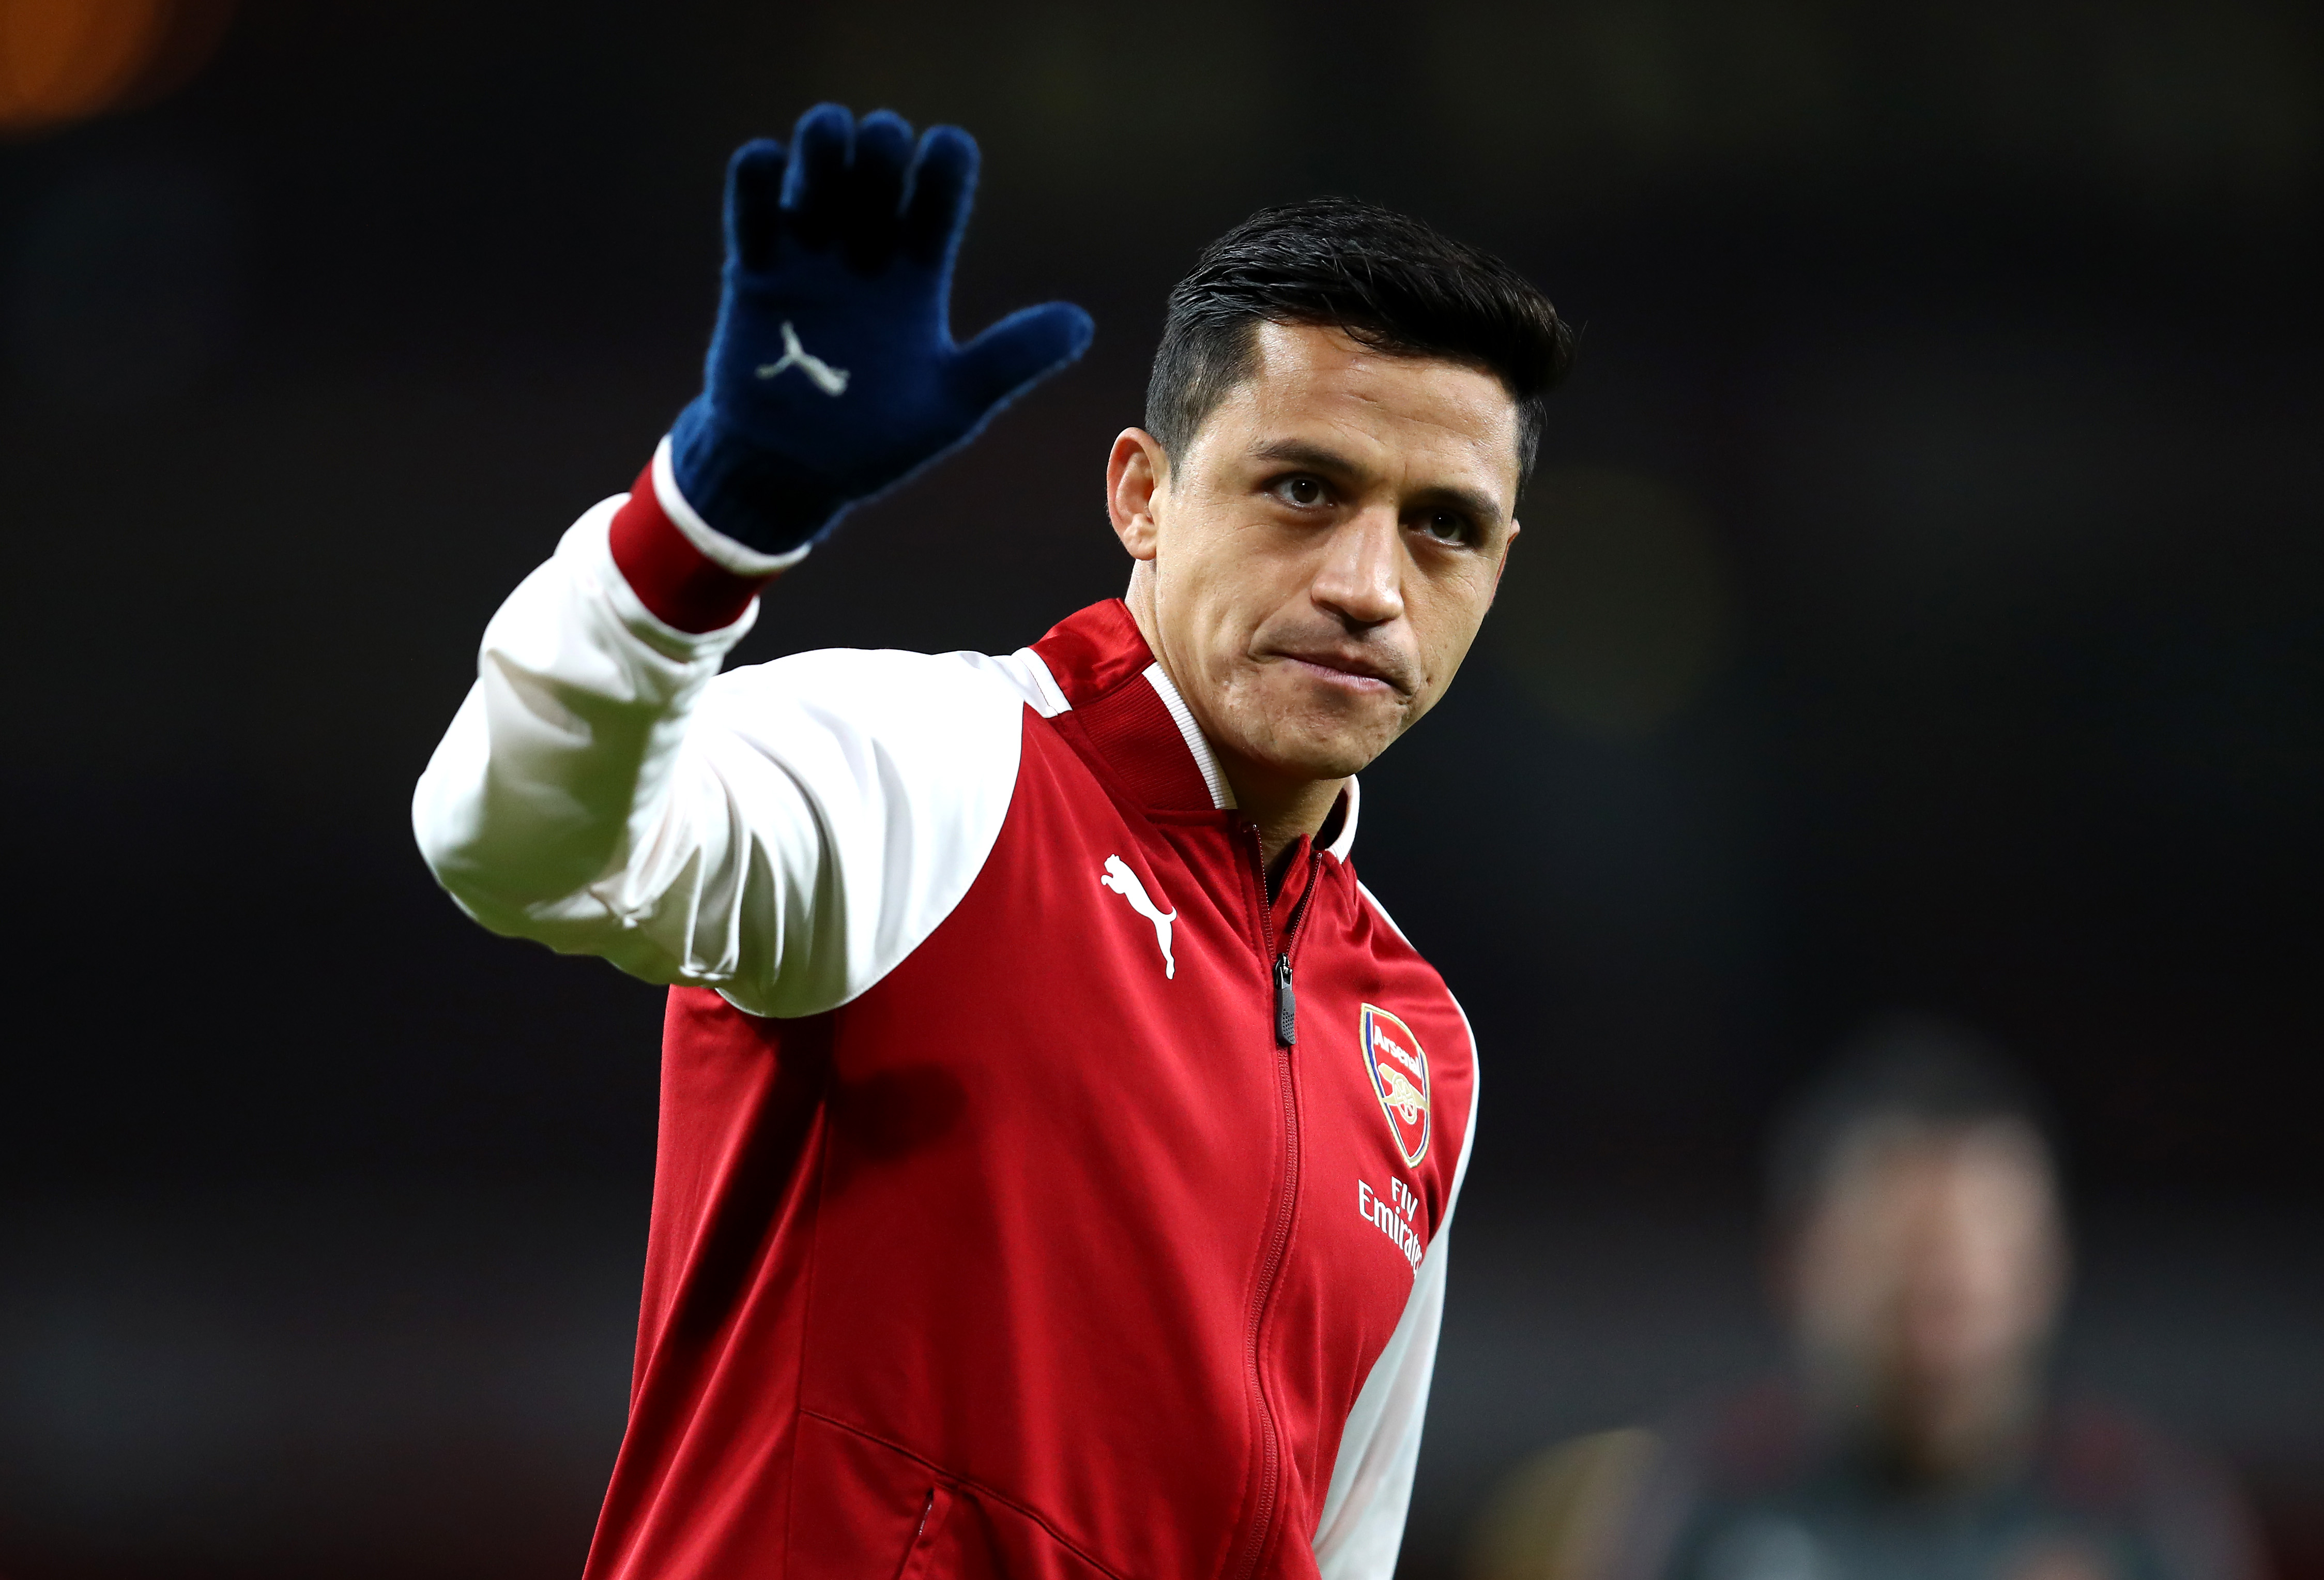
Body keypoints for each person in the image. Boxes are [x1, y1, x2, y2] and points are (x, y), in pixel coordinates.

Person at [412, 103, 1572, 1579]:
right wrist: (705, 525)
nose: (1366, 584)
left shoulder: (1421, 1051)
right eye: (1304, 489)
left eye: (1443, 528)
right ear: (1143, 497)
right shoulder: (931, 772)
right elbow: (508, 845)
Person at [1543, 1020, 2263, 1580]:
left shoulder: (2136, 1508)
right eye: (1899, 1270)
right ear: (1798, 1265)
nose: (1940, 1319)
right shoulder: (1709, 1491)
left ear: (2047, 1269)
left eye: (1977, 1271)